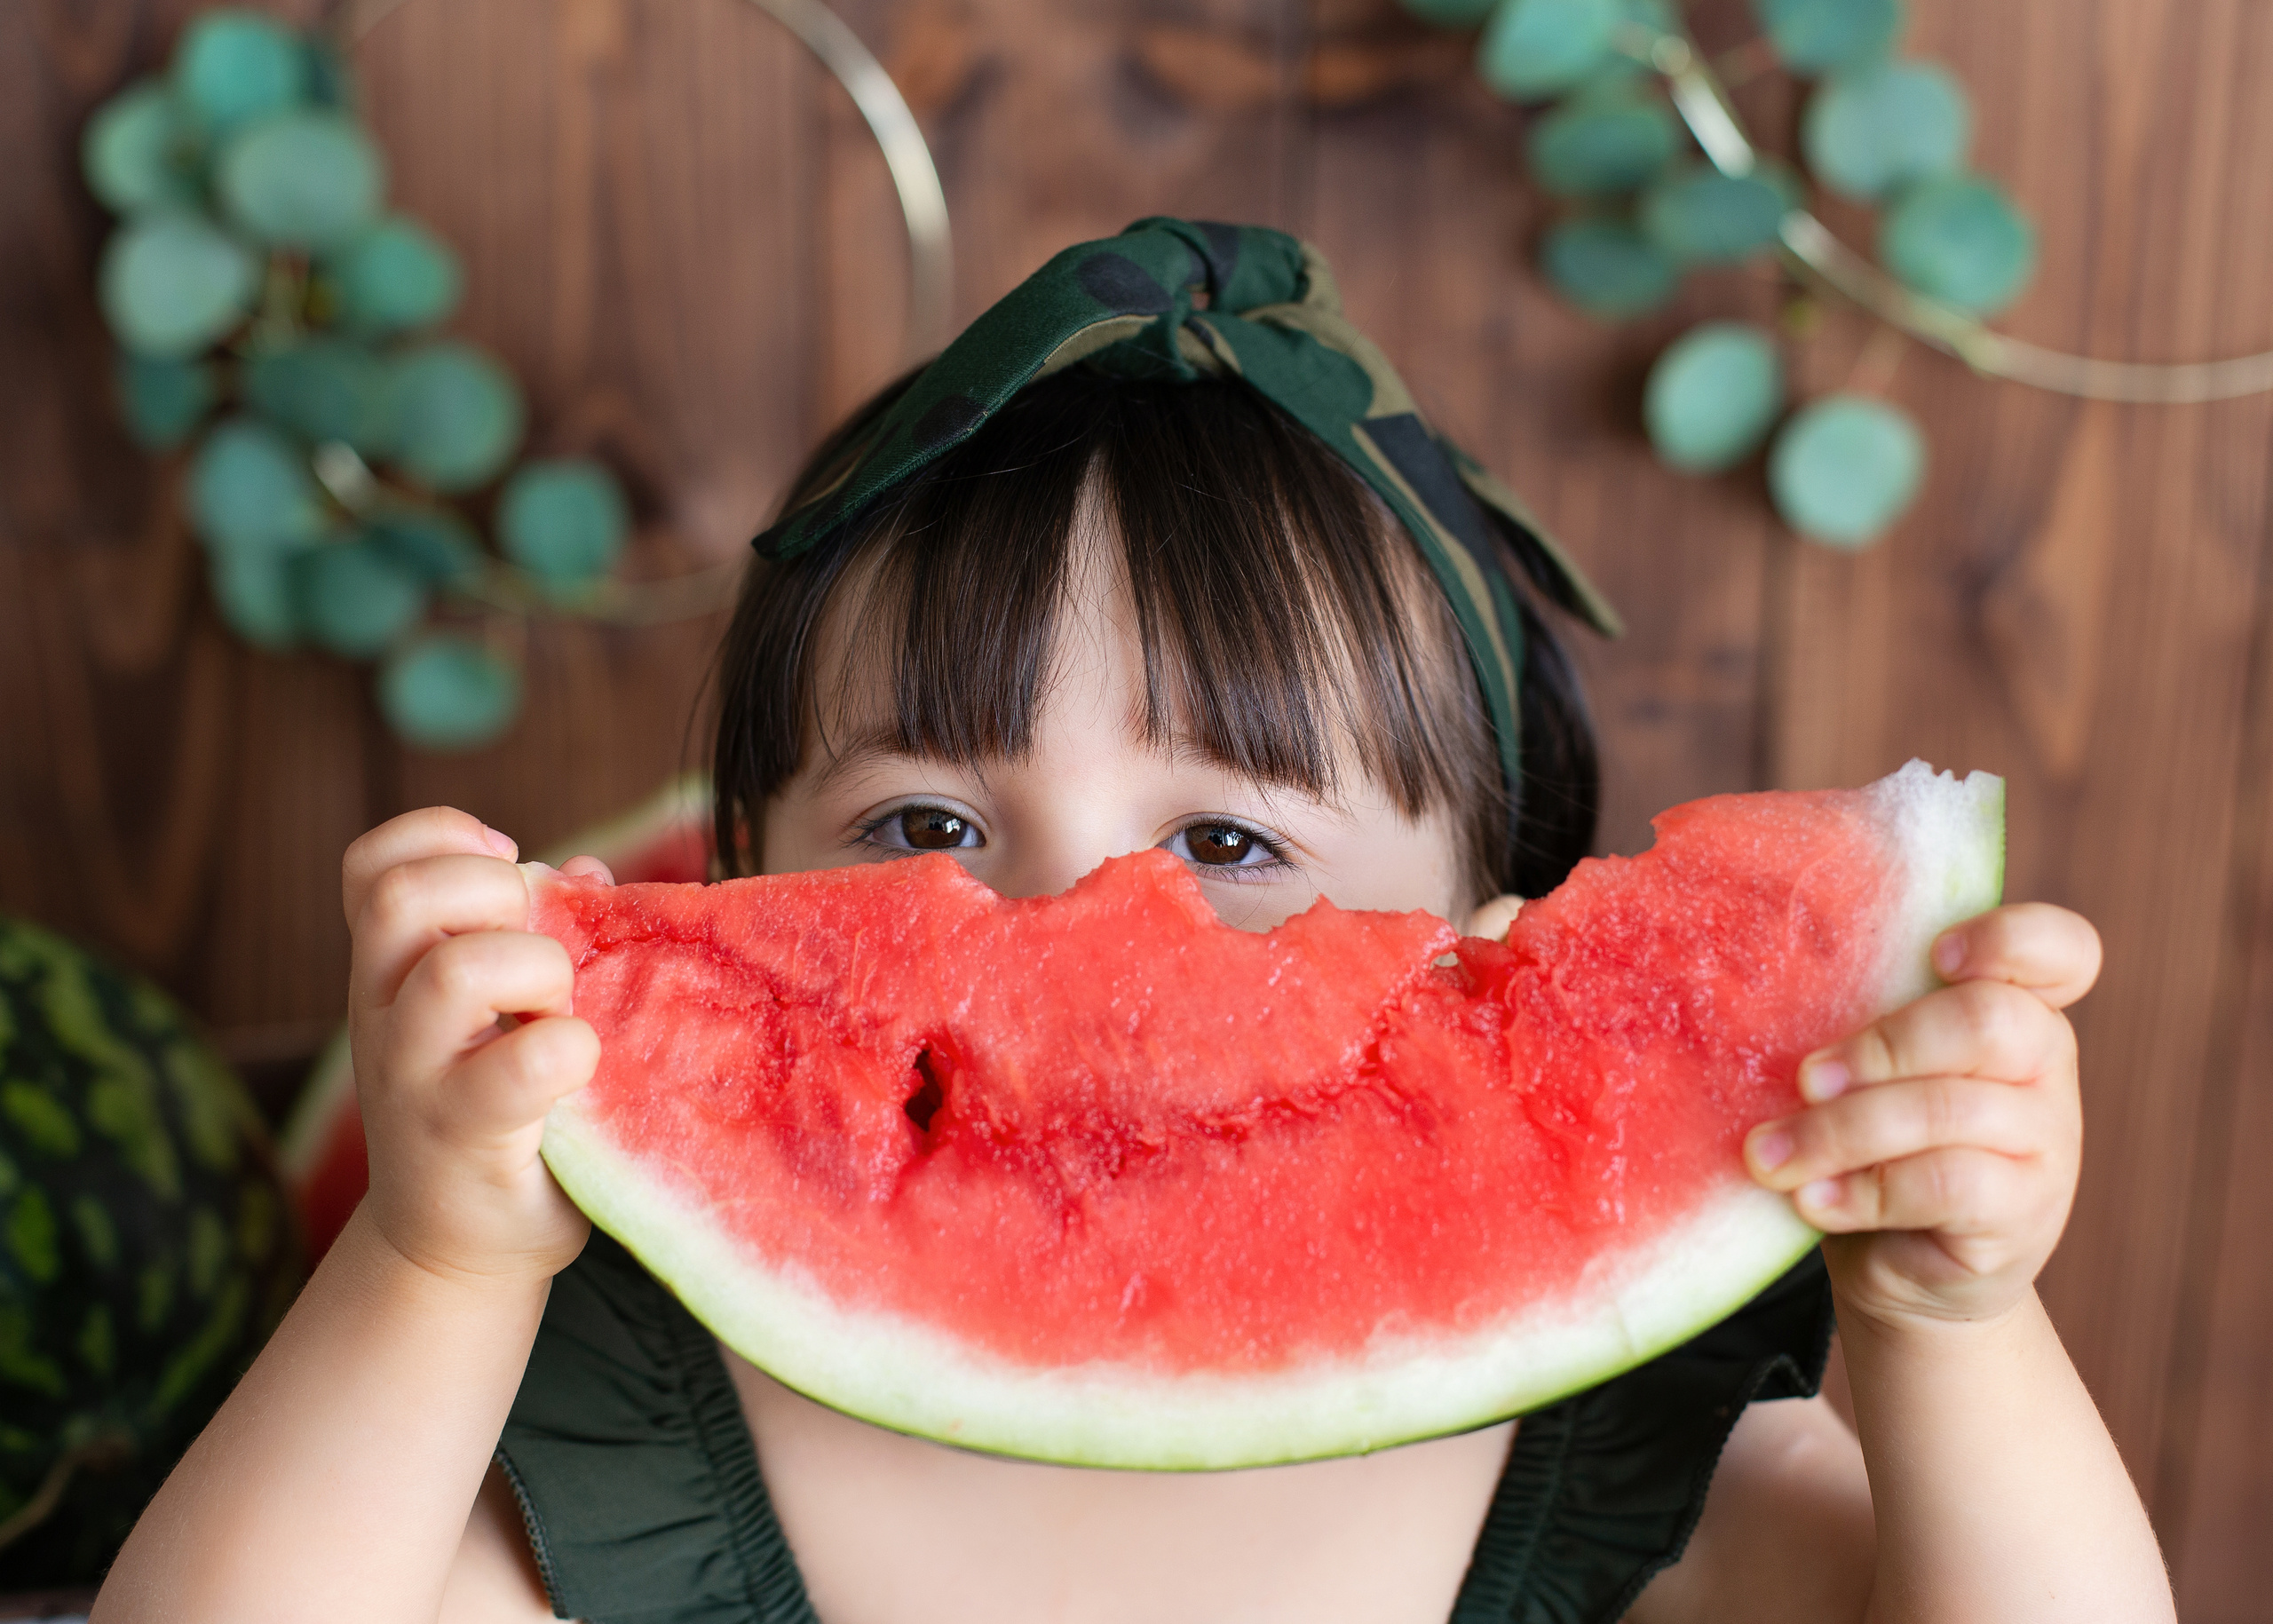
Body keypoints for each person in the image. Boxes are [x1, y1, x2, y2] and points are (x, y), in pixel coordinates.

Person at [95, 220, 2173, 1624]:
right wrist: (432, 1267)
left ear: (1500, 930)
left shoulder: (1631, 1469)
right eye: (920, 815)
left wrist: (1950, 1333)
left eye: (1230, 840)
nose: (1066, 912)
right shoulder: (620, 1440)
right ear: (724, 885)